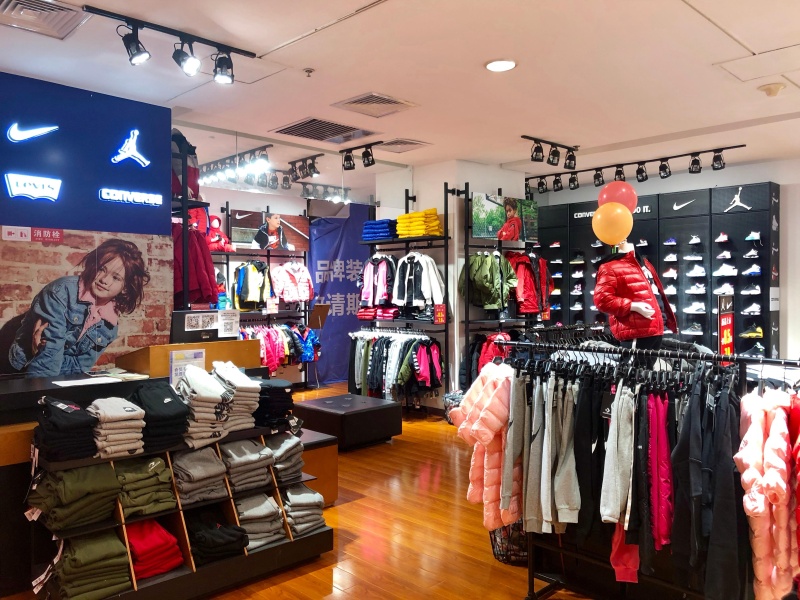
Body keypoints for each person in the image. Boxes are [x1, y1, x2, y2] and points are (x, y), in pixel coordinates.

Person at [7, 239, 150, 378]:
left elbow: (78, 368)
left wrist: (44, 355)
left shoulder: (110, 326)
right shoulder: (61, 292)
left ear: (125, 287)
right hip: (20, 371)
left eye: (116, 278)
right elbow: (48, 356)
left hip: (56, 379)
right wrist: (46, 391)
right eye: (102, 269)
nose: (104, 280)